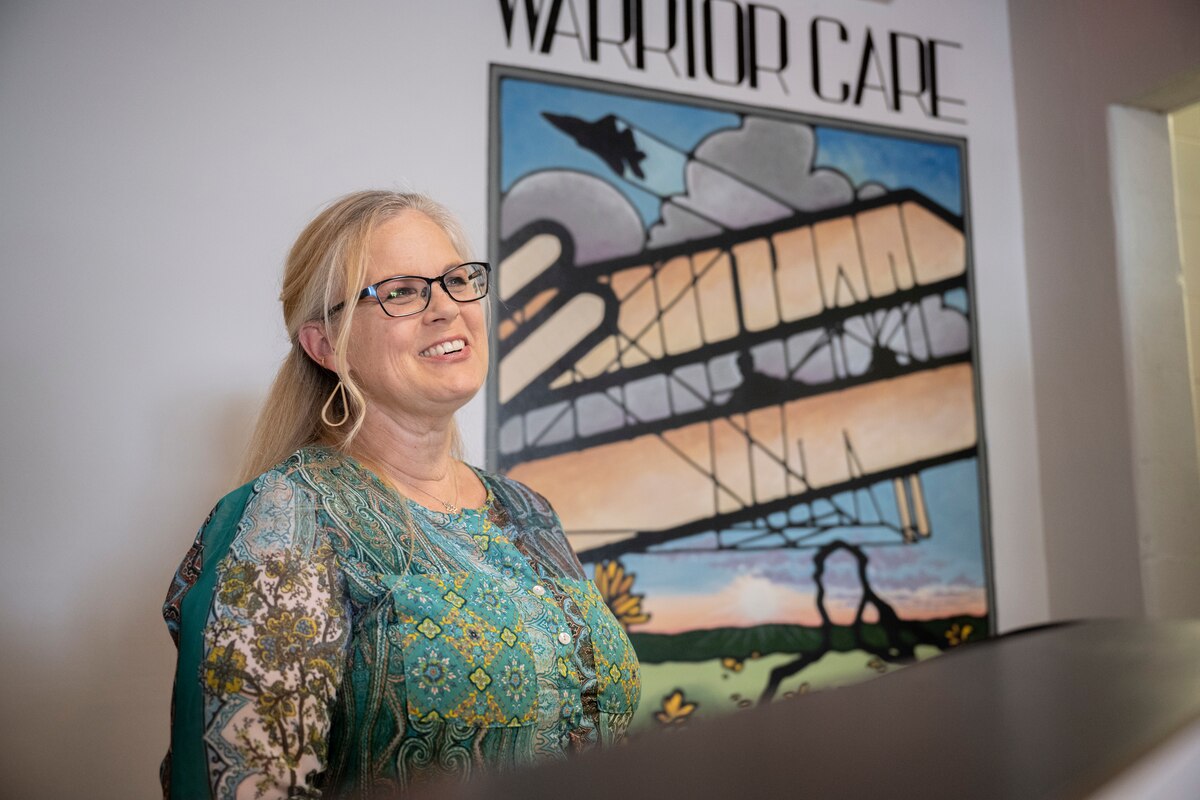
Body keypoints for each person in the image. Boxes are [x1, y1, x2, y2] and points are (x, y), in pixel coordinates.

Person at [162, 191, 641, 799]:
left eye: (457, 280)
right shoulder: (289, 519)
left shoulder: (528, 511)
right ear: (326, 346)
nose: (446, 309)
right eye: (401, 292)